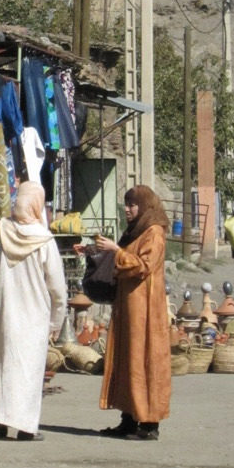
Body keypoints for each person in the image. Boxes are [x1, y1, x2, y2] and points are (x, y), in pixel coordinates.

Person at [0, 181, 67, 441]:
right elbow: (58, 288)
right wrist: (56, 321)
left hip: (6, 314)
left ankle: (2, 423)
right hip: (34, 318)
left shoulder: (2, 230)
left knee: (7, 366)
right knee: (29, 372)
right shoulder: (44, 240)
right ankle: (26, 428)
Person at [85, 185, 171, 442]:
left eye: (132, 205)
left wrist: (116, 250)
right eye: (126, 204)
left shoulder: (154, 232)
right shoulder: (135, 231)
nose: (128, 209)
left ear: (144, 207)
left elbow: (143, 266)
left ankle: (148, 423)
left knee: (144, 360)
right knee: (126, 361)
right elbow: (120, 257)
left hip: (145, 311)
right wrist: (92, 251)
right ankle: (129, 418)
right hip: (128, 308)